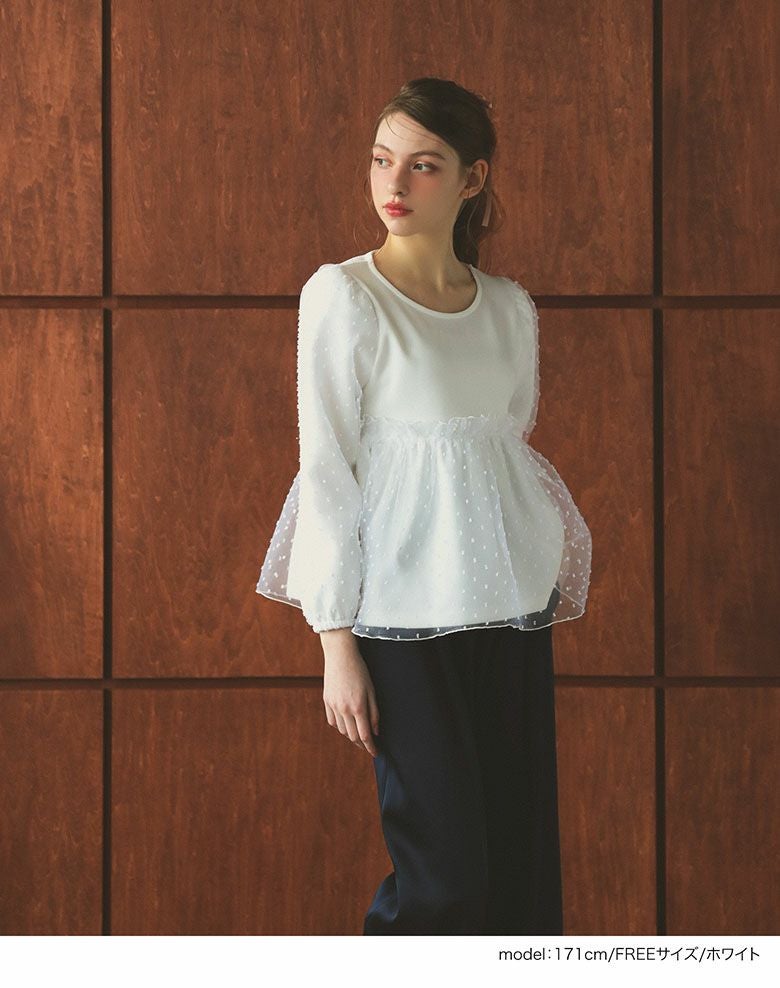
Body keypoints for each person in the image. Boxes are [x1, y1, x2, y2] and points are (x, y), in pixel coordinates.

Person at [255, 77, 592, 935]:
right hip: (399, 623)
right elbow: (326, 470)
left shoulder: (508, 308)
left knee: (519, 873)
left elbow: (501, 453)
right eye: (381, 160)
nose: (394, 184)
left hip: (511, 613)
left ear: (473, 179)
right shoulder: (343, 295)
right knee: (443, 881)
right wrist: (336, 642)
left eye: (423, 165)